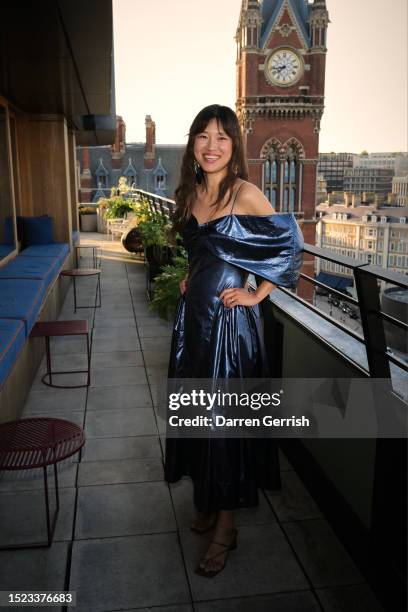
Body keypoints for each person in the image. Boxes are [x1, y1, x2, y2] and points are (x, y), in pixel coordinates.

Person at [164, 104, 303, 577]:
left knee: (223, 426)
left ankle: (225, 529)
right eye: (203, 136)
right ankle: (208, 502)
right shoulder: (191, 191)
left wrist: (255, 293)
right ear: (193, 143)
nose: (211, 146)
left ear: (234, 146)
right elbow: (202, 247)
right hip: (194, 324)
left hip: (228, 327)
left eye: (221, 137)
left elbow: (289, 245)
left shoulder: (244, 193)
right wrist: (191, 277)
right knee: (200, 416)